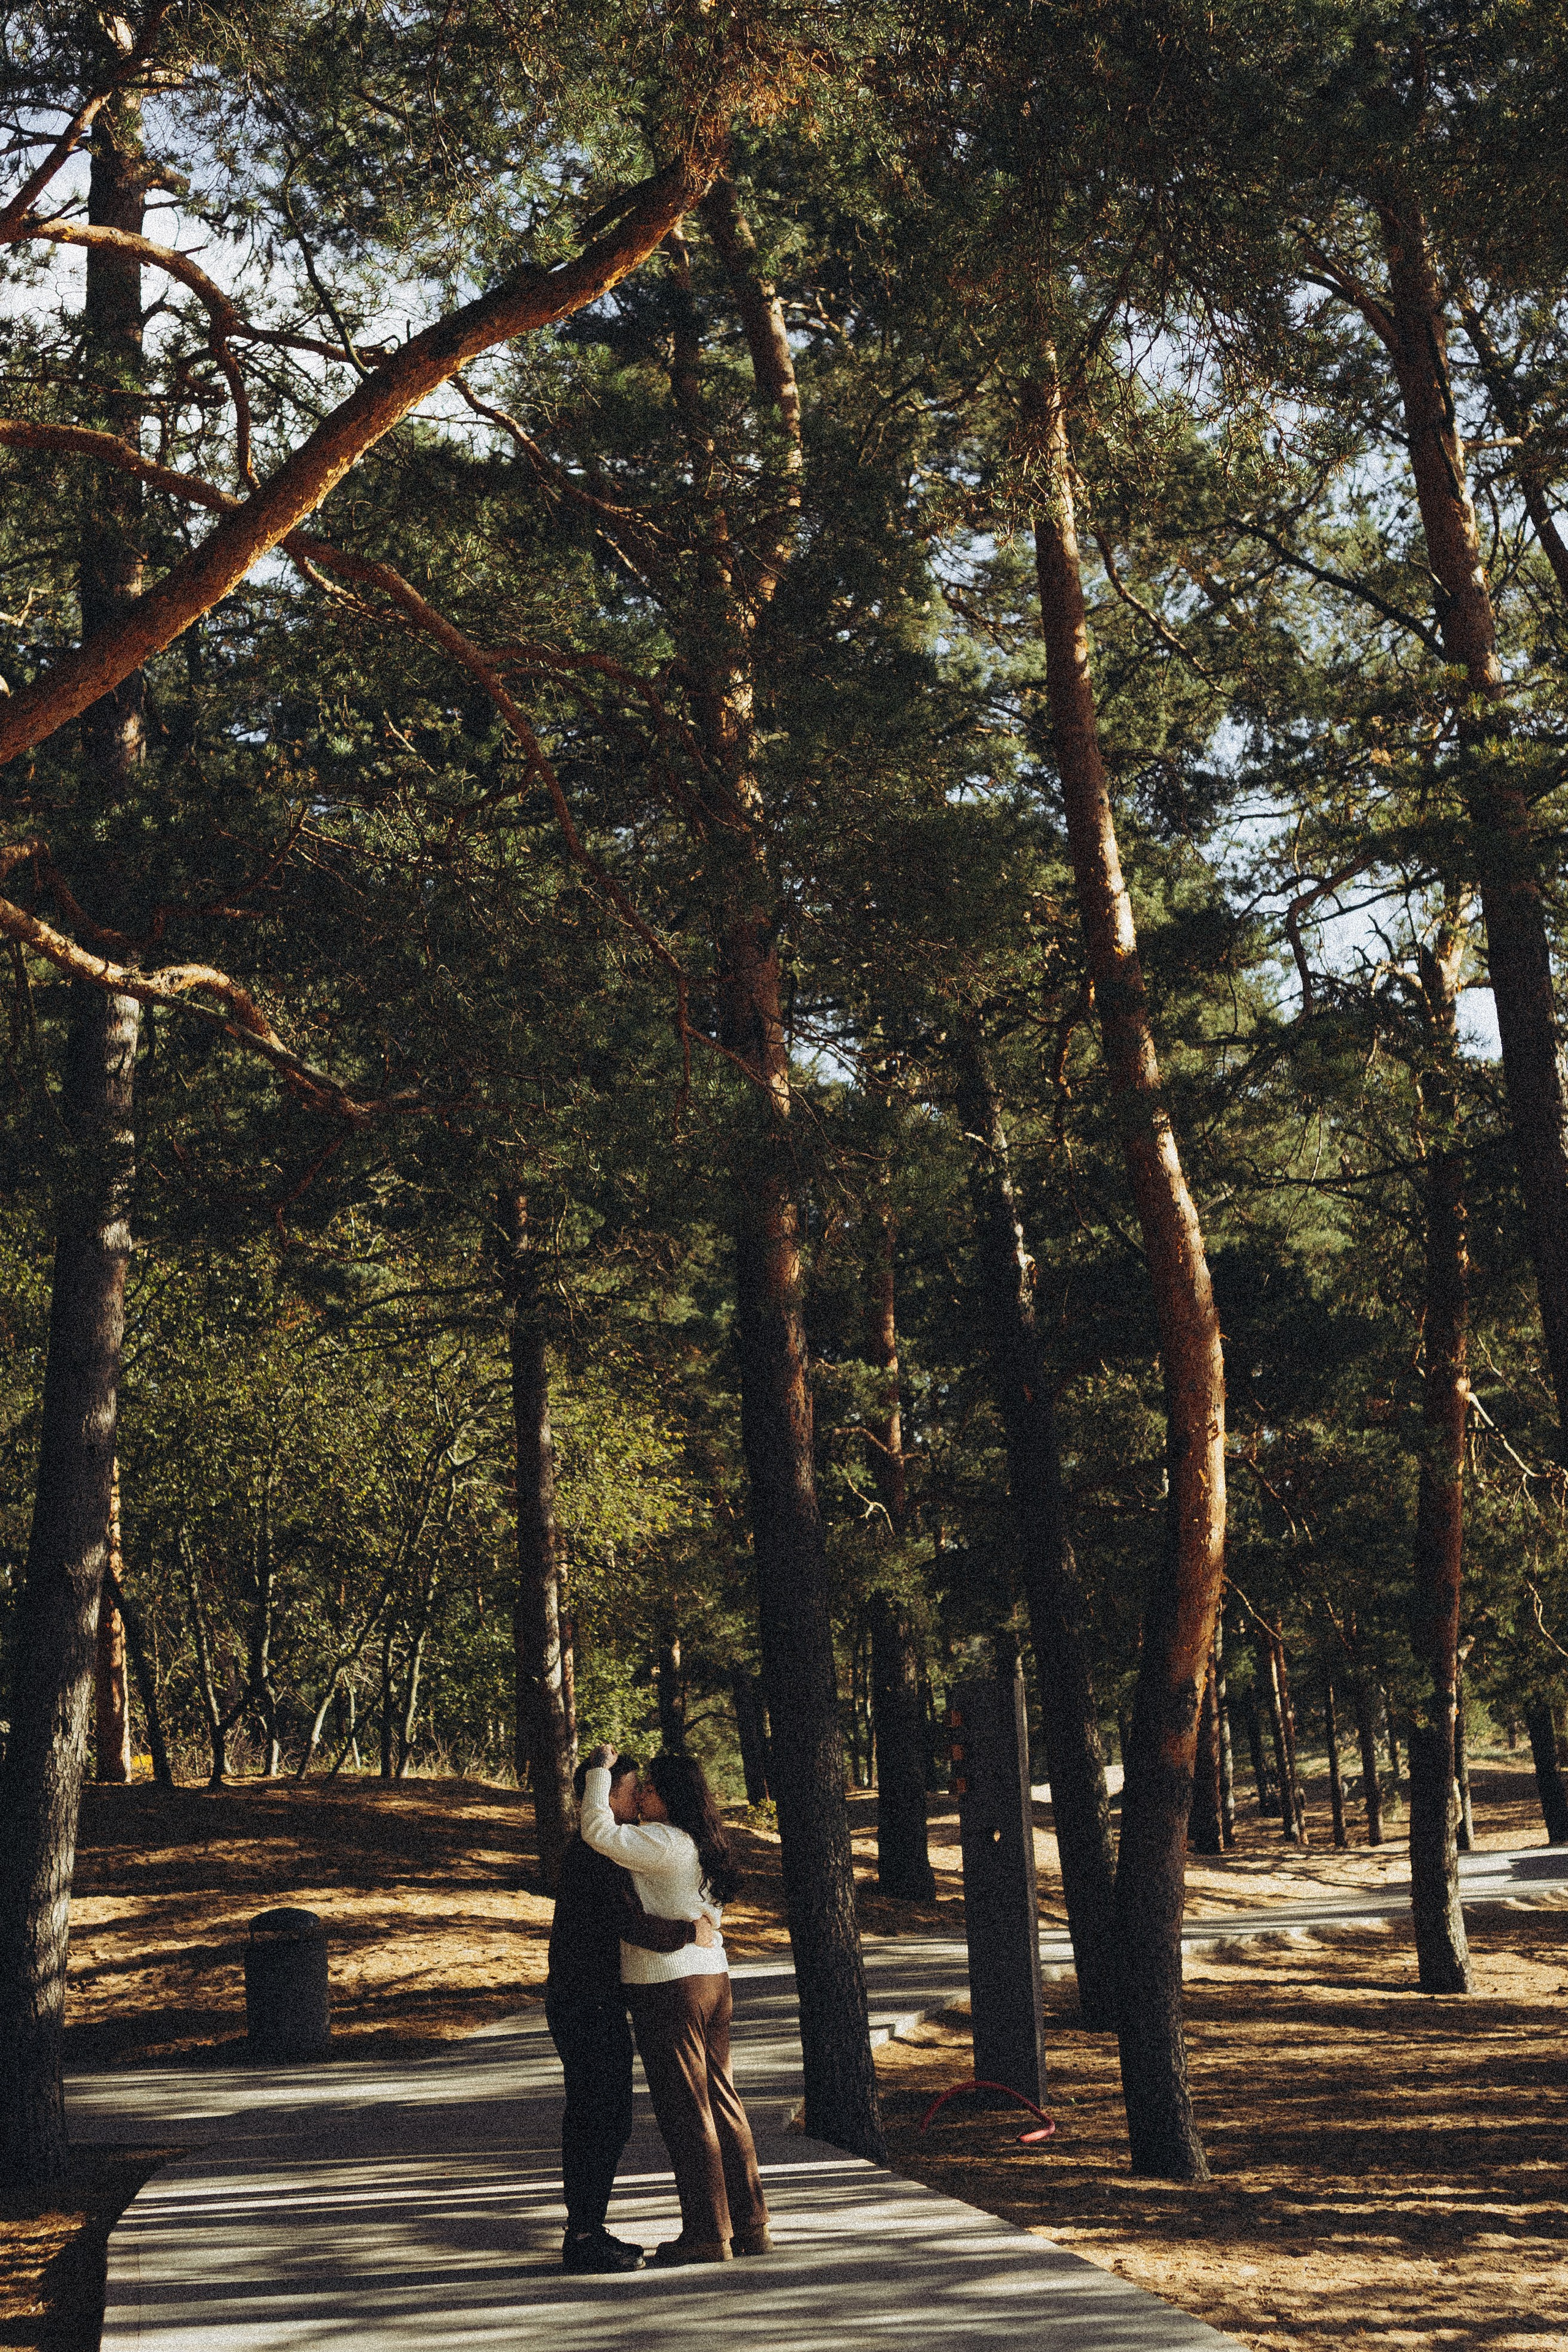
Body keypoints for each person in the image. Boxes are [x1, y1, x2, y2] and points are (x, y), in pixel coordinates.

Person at [579, 1743, 772, 2266]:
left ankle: (707, 2233)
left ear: (671, 1798)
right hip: (713, 1981)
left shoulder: (662, 1842)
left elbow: (596, 1830)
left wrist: (598, 1773)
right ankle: (751, 2225)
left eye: (650, 1787)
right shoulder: (700, 1842)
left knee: (687, 2109)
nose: (640, 1792)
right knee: (724, 2100)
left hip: (669, 1987)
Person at [545, 1752, 718, 2275]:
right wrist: (692, 1931)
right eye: (630, 1787)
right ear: (606, 1794)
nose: (638, 1795)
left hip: (590, 2001)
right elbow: (630, 1921)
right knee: (598, 2117)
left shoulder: (602, 1852)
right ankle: (582, 2236)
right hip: (584, 2003)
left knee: (605, 2116)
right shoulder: (595, 1853)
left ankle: (587, 2229)